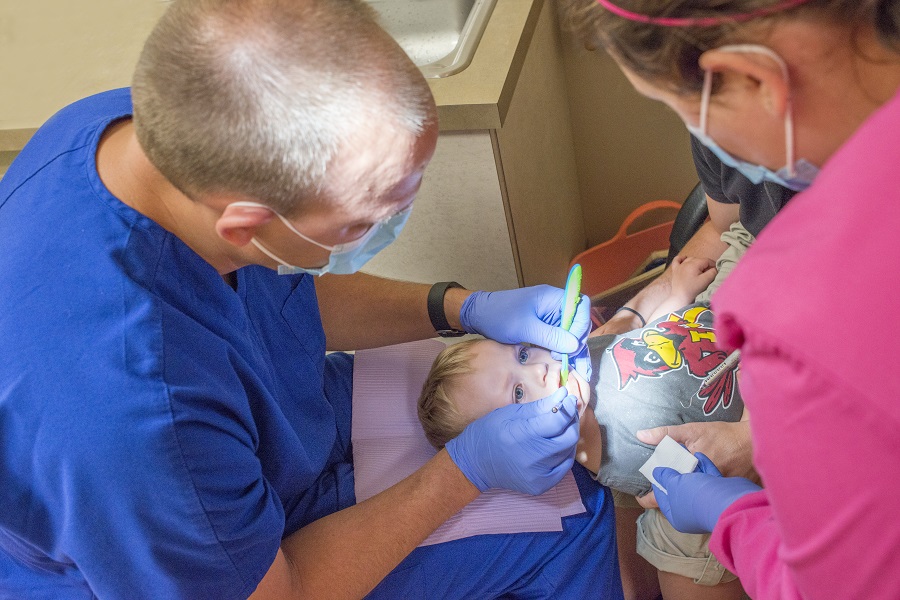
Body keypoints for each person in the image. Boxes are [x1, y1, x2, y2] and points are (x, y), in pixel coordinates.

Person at [0, 1, 626, 598]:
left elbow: (279, 304)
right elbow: (276, 592)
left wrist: (460, 307)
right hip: (202, 553)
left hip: (266, 431)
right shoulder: (138, 422)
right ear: (245, 225)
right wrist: (465, 473)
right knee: (574, 512)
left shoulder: (129, 135)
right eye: (362, 223)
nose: (388, 227)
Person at [558, 0, 900, 598]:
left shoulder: (807, 318)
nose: (698, 138)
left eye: (685, 111)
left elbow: (836, 585)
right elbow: (725, 225)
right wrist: (652, 299)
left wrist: (733, 514)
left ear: (755, 79)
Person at [419, 256, 748, 599]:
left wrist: (677, 295)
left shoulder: (580, 358)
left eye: (522, 354)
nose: (540, 370)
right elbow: (706, 468)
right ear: (522, 454)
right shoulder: (619, 450)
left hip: (715, 314)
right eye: (518, 393)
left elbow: (649, 338)